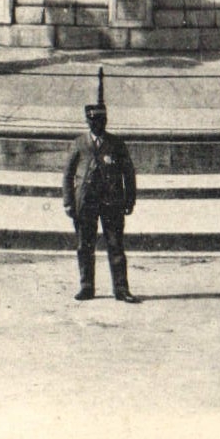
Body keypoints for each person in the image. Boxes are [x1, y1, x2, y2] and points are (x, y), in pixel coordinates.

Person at [62, 102, 138, 303]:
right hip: (86, 202)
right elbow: (68, 175)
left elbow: (128, 173)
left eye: (102, 120)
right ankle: (87, 286)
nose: (99, 125)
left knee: (115, 245)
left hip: (111, 202)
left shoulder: (116, 144)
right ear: (88, 122)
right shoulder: (79, 144)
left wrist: (130, 199)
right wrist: (68, 202)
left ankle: (121, 288)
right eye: (95, 121)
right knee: (85, 246)